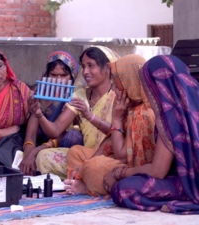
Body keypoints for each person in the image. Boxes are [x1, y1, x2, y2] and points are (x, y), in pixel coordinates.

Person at [108, 55, 199, 214]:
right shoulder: (192, 102)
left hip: (190, 184)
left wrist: (121, 173)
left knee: (123, 189)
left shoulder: (171, 116)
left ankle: (178, 199)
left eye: (148, 85)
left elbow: (158, 170)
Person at [64, 54, 156, 196]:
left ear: (129, 84)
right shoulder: (130, 108)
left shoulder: (144, 114)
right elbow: (108, 143)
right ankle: (82, 180)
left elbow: (122, 156)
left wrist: (117, 120)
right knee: (75, 153)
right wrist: (85, 165)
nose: (114, 90)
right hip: (119, 159)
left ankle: (87, 188)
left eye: (118, 85)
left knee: (95, 167)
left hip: (135, 169)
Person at [29, 46, 120, 179]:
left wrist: (89, 116)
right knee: (43, 158)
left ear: (107, 68)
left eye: (91, 65)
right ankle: (83, 174)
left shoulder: (118, 95)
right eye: (84, 66)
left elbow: (118, 133)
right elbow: (54, 131)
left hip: (112, 155)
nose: (86, 72)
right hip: (86, 154)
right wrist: (39, 115)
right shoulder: (79, 96)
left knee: (103, 166)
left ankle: (82, 175)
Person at [20, 51, 84, 176]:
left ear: (72, 77)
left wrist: (34, 153)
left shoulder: (74, 98)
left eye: (63, 75)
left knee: (73, 135)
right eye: (53, 75)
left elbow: (56, 134)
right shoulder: (39, 96)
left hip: (61, 145)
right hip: (39, 146)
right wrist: (28, 158)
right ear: (46, 75)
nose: (58, 80)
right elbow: (31, 135)